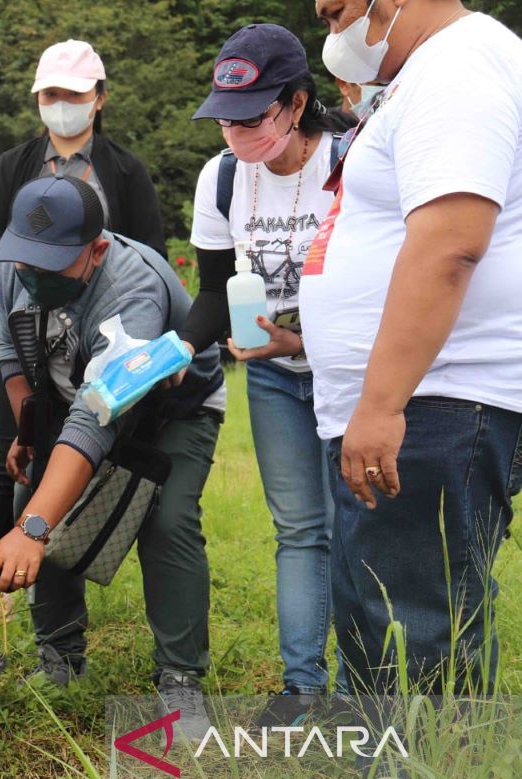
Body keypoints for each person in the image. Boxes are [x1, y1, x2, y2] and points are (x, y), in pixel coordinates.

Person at [304, 0, 522, 700]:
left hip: (436, 401)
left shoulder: (459, 66)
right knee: (385, 621)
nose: (333, 30)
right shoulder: (431, 70)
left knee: (415, 635)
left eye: (337, 12)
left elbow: (450, 241)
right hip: (419, 403)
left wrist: (381, 402)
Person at [0, 175, 225, 741]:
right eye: (27, 263)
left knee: (166, 521)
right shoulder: (8, 262)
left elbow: (98, 418)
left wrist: (34, 529)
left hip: (173, 410)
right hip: (74, 400)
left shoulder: (131, 292)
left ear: (96, 250)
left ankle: (181, 678)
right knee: (37, 496)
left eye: (53, 265)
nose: (35, 276)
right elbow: (9, 354)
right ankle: (60, 659)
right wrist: (27, 431)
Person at [184, 24, 349, 725]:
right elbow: (214, 293)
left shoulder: (353, 162)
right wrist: (170, 355)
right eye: (225, 118)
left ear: (297, 103)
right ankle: (302, 684)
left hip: (352, 372)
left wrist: (301, 338)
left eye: (251, 117)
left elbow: (387, 287)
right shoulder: (222, 178)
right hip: (277, 380)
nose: (236, 133)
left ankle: (366, 686)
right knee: (300, 529)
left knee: (361, 527)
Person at [0, 40, 168, 613]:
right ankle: (8, 581)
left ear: (98, 100)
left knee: (91, 434)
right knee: (23, 454)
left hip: (107, 335)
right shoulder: (14, 167)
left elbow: (146, 258)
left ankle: (52, 543)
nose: (62, 106)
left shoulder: (125, 170)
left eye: (74, 95)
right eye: (51, 94)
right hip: (26, 331)